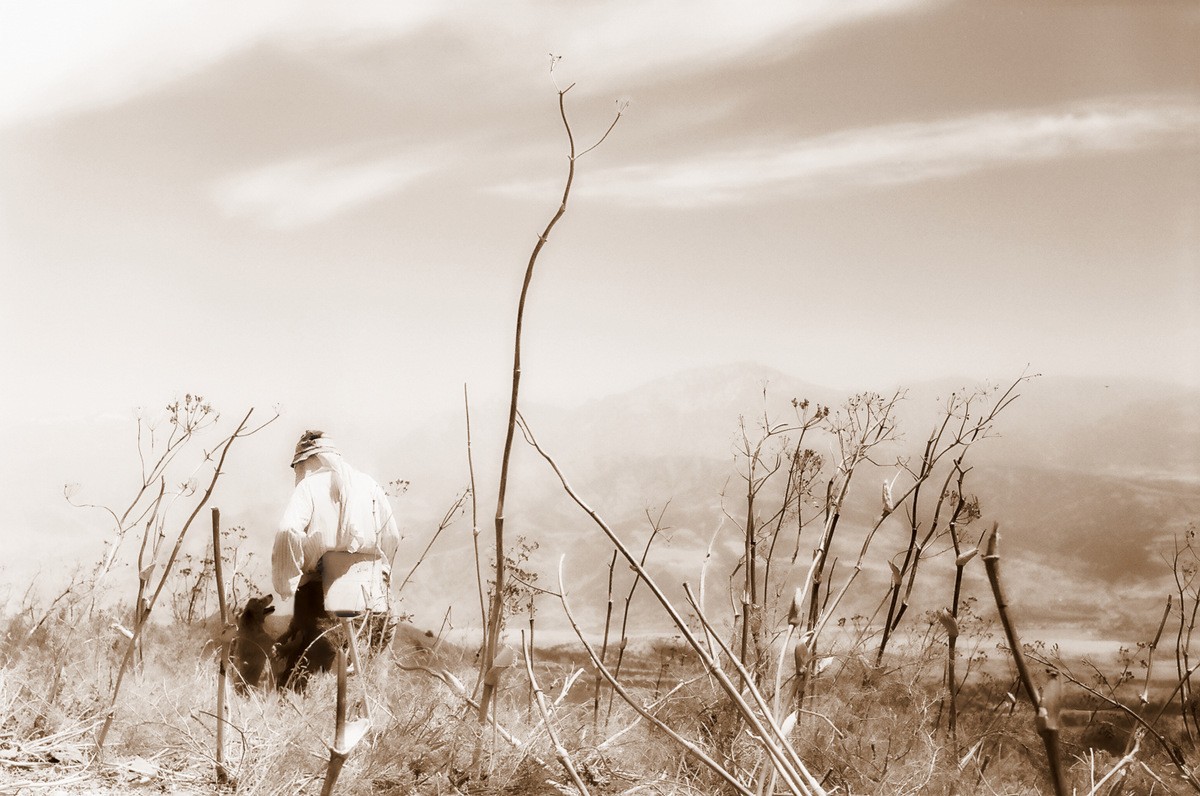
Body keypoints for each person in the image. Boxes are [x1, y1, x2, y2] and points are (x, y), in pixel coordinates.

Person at [271, 430, 401, 656]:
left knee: (312, 661)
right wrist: (383, 569)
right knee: (368, 656)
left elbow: (287, 530)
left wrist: (290, 580)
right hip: (370, 582)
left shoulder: (309, 487)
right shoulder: (368, 484)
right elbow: (391, 535)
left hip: (319, 587)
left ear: (306, 462)